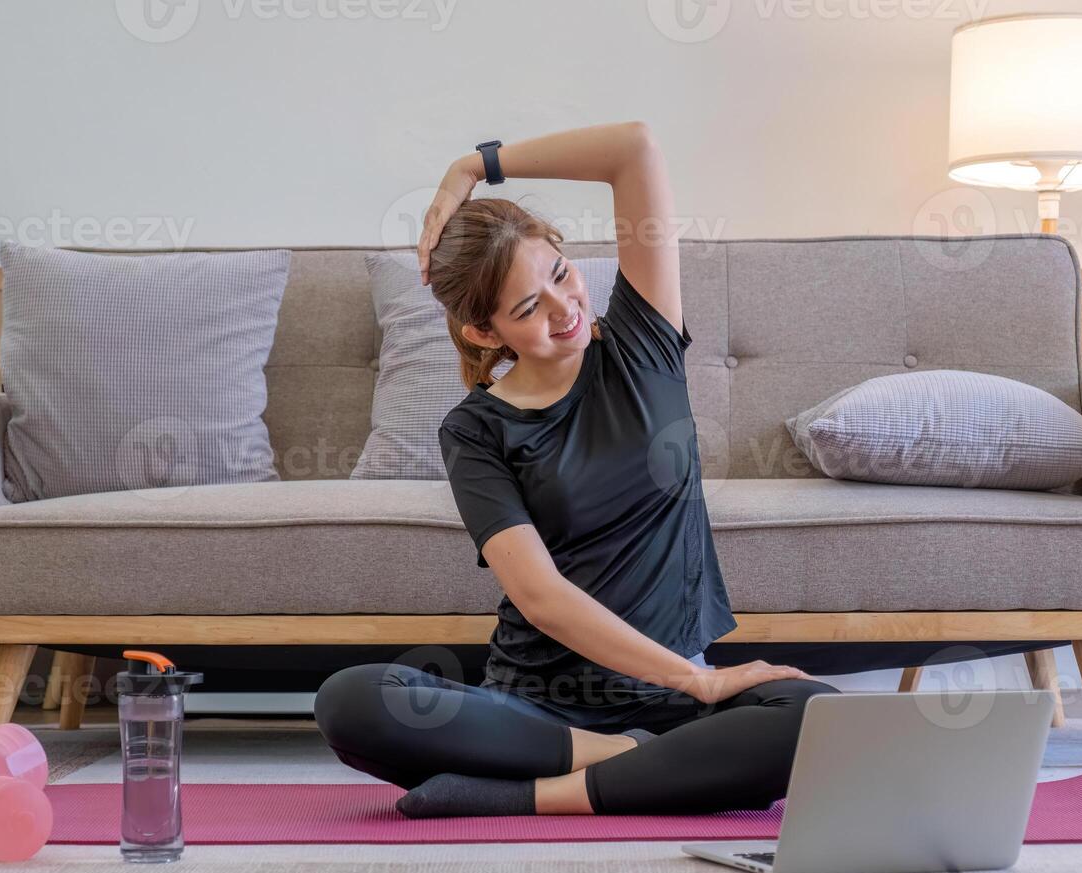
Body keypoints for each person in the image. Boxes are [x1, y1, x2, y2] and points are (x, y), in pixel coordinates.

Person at [314, 121, 839, 818]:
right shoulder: (475, 430)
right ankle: (631, 767)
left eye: (560, 275)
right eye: (528, 308)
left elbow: (635, 149)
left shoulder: (642, 345)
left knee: (816, 717)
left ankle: (523, 798)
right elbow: (540, 599)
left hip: (676, 704)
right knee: (350, 701)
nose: (565, 309)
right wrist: (700, 683)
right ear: (483, 332)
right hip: (538, 710)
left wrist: (473, 166)